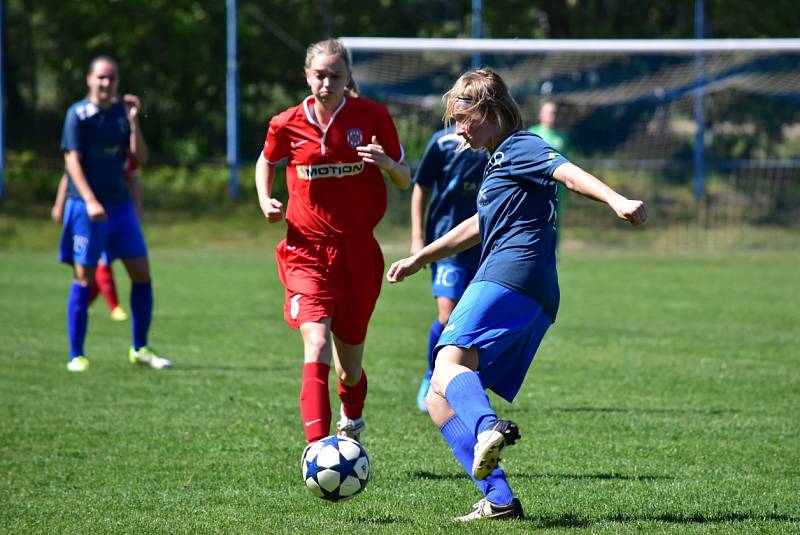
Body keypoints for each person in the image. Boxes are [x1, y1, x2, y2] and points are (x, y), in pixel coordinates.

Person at [387, 69, 646, 521]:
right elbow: (476, 226)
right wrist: (420, 257)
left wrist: (616, 200)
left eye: (463, 119)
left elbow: (567, 172)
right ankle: (500, 499)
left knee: (447, 361)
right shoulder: (498, 162)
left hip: (511, 273)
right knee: (438, 399)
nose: (458, 130)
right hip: (533, 288)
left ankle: (488, 427)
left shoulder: (521, 146)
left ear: (489, 112)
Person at [254, 39, 411, 445]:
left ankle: (352, 417)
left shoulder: (372, 116)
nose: (327, 82)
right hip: (305, 250)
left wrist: (388, 164)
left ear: (348, 78)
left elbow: (405, 177)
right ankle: (318, 448)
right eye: (320, 75)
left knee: (350, 369)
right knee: (317, 341)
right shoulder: (286, 122)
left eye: (335, 75)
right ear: (307, 76)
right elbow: (267, 159)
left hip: (358, 254)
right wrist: (264, 197)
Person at [59, 55, 171, 372]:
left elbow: (140, 157)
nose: (106, 84)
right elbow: (72, 162)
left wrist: (135, 121)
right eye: (101, 78)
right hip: (85, 208)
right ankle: (76, 354)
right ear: (89, 80)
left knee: (142, 274)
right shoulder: (78, 115)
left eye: (111, 79)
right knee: (84, 278)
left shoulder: (122, 114)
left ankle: (140, 348)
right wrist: (91, 200)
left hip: (120, 207)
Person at [410, 128, 486, 413]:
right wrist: (418, 236)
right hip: (446, 242)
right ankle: (433, 375)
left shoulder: (500, 144)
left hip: (485, 244)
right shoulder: (442, 142)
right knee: (447, 315)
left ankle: (465, 382)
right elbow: (422, 185)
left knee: (474, 318)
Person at [52, 152, 142, 322]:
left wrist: (137, 207)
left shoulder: (120, 145)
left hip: (118, 213)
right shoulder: (86, 141)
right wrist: (59, 204)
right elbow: (68, 173)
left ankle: (94, 304)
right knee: (88, 270)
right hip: (87, 214)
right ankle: (108, 307)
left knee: (101, 266)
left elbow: (134, 174)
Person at [529, 101, 571, 246]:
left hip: (558, 189)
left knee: (554, 222)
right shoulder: (533, 132)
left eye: (554, 112)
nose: (552, 116)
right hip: (536, 188)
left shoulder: (562, 136)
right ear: (541, 114)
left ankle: (553, 255)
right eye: (548, 112)